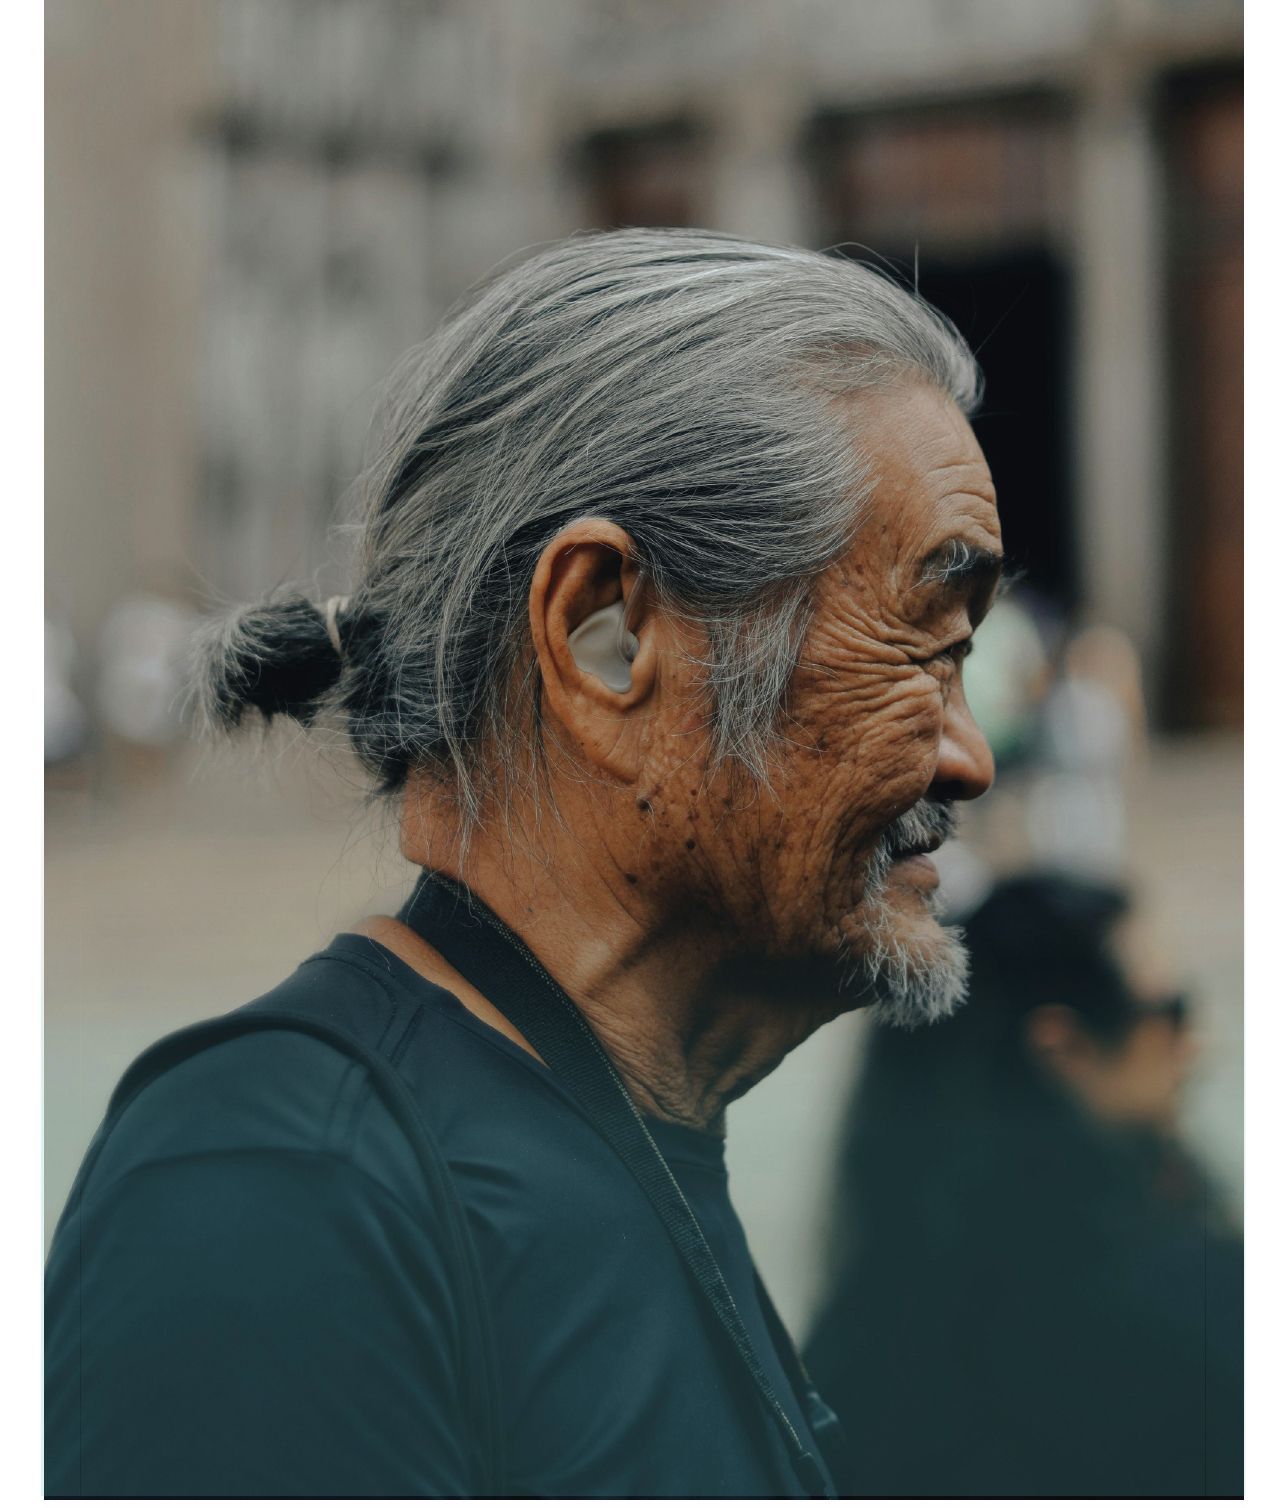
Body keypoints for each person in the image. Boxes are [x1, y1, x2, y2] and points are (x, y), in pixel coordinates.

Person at [46, 227, 1003, 1497]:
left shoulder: (612, 1132)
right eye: (922, 645)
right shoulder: (289, 1185)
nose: (969, 757)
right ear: (604, 638)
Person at [803, 871, 1243, 1499]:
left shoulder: (856, 1341)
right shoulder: (1203, 1308)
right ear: (1064, 1049)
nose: (1197, 1045)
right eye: (1171, 1012)